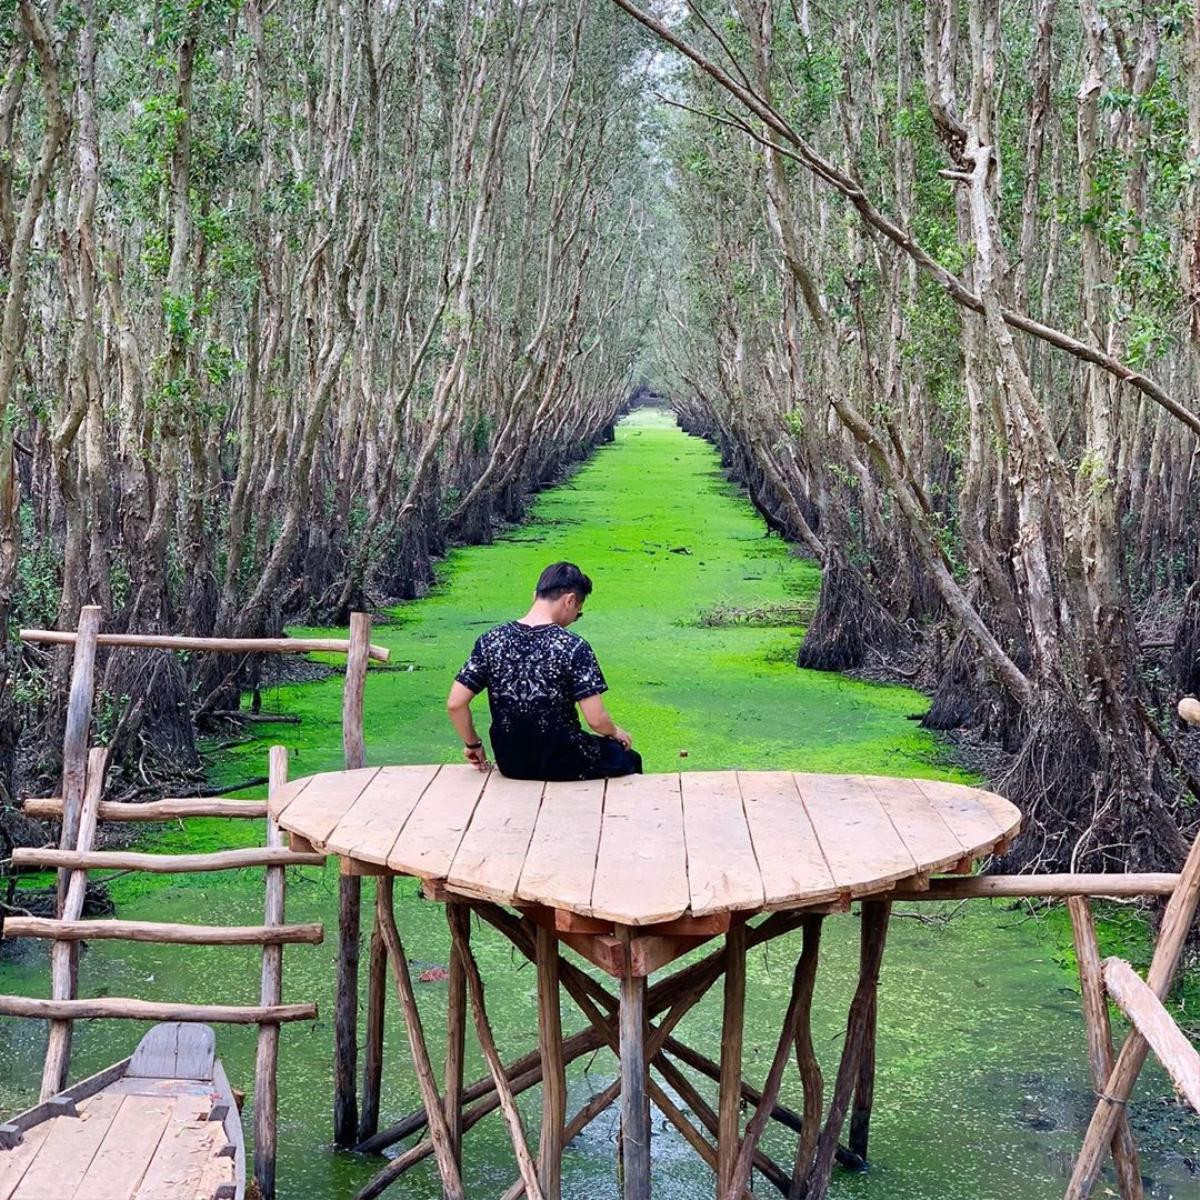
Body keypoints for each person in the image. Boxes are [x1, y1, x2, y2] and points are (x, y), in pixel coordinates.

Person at [446, 561, 642, 781]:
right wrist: (615, 732)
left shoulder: (491, 640)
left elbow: (455, 703)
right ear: (570, 600)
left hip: (510, 764)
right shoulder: (573, 647)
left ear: (535, 595)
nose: (573, 620)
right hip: (564, 761)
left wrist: (473, 744)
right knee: (628, 757)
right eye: (578, 612)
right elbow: (596, 719)